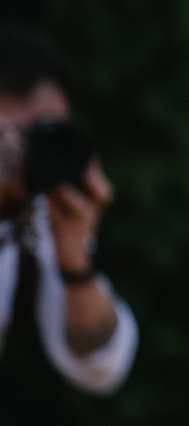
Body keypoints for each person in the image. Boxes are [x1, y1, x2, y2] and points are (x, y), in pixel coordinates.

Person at [0, 26, 137, 396]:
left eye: (43, 135)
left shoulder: (35, 218)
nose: (20, 157)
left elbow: (101, 366)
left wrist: (74, 257)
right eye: (7, 137)